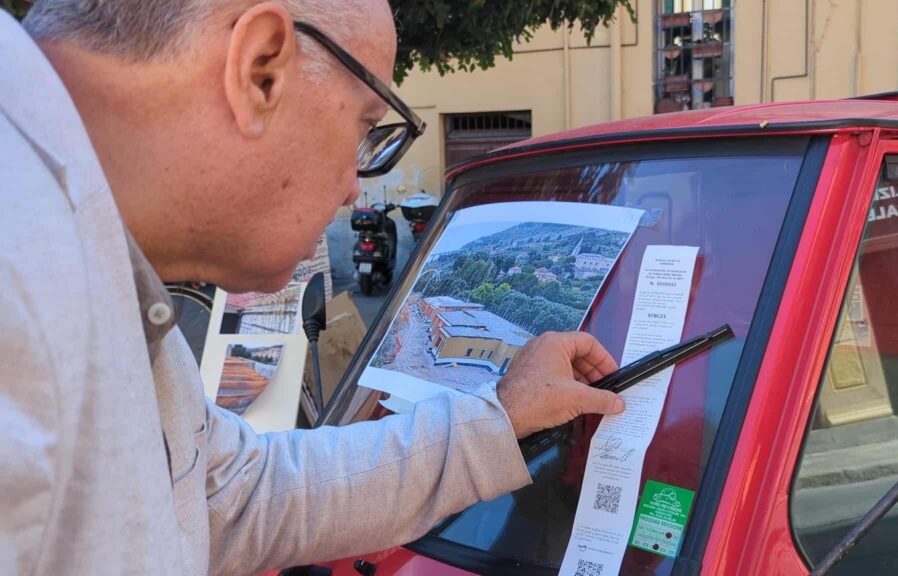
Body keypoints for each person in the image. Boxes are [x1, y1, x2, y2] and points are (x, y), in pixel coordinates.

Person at [0, 1, 626, 574]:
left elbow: (232, 496)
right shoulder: (20, 287)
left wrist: (503, 416)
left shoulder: (73, 247)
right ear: (261, 70)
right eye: (364, 128)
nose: (355, 188)